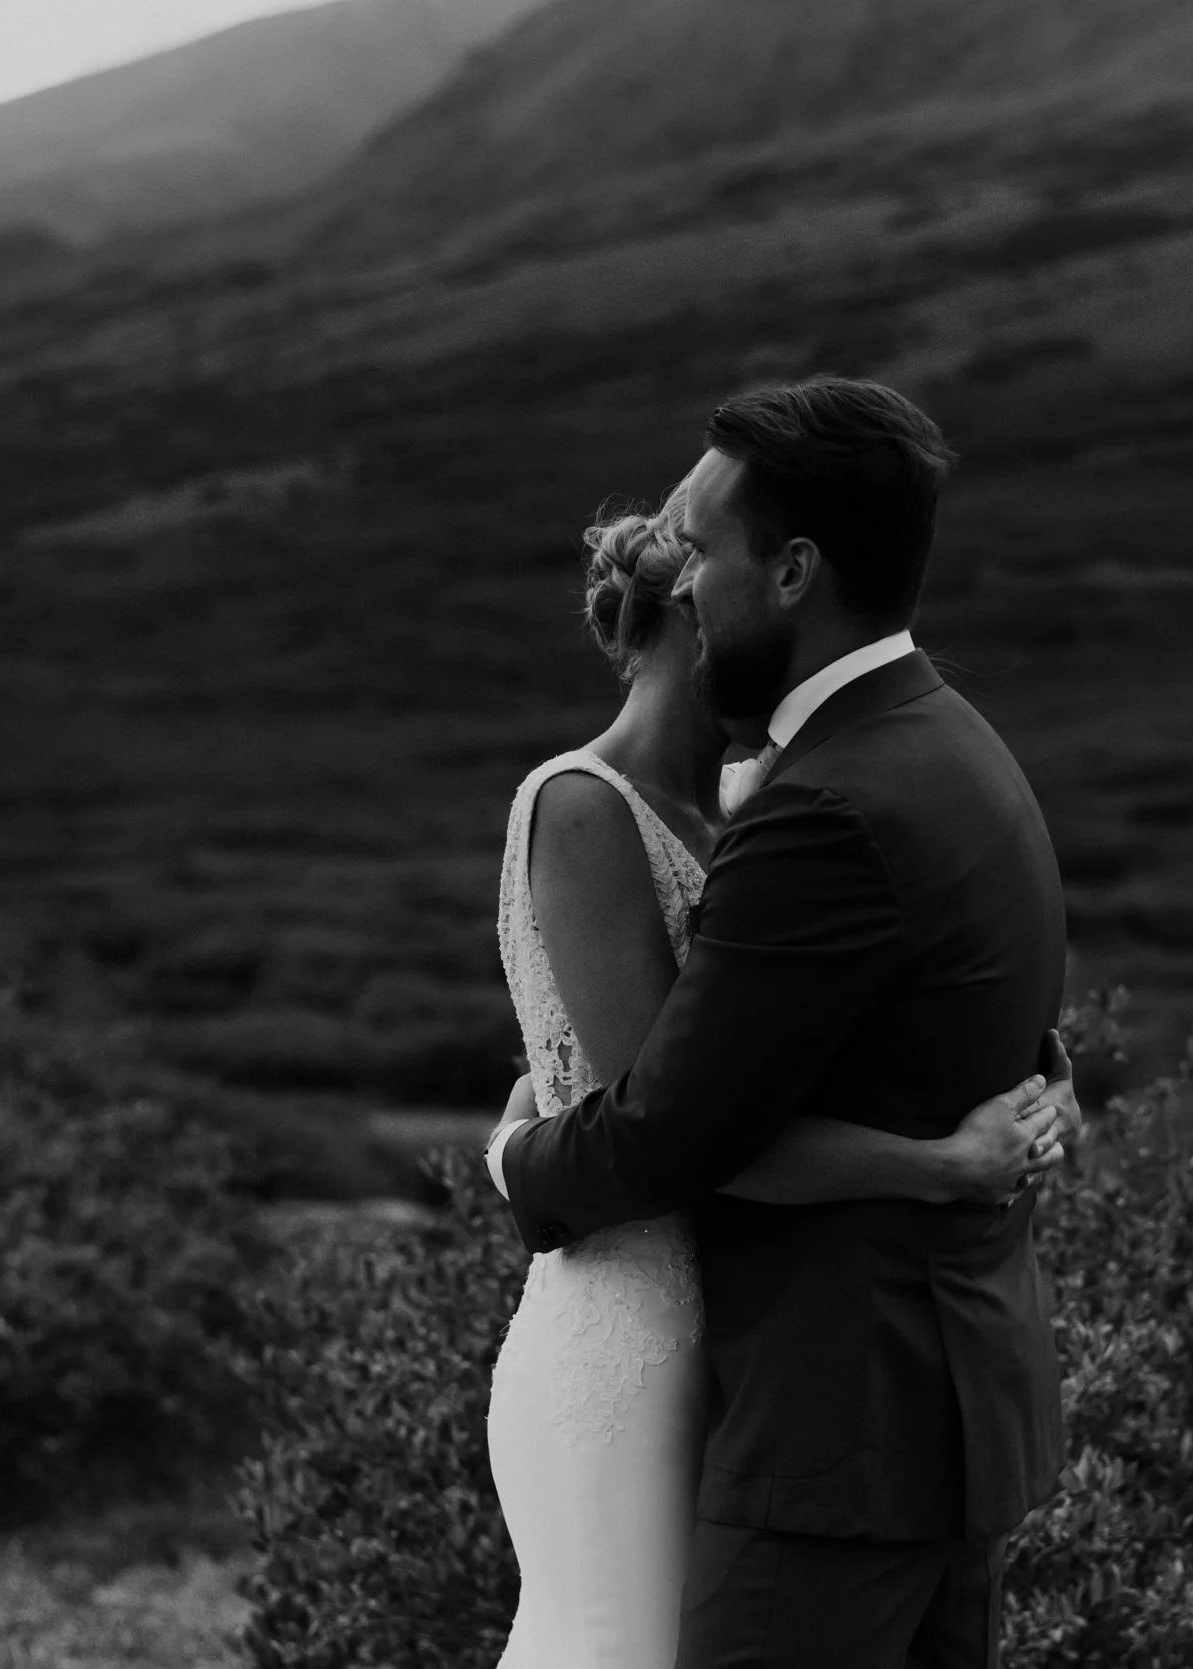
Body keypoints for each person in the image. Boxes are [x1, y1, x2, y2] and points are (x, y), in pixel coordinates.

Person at [487, 377, 1070, 1669]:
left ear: (797, 571)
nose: (682, 584)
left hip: (838, 1432)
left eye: (705, 551)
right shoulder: (956, 743)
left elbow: (670, 1130)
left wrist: (516, 1161)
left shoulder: (821, 806)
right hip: (926, 1411)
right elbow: (962, 1007)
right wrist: (1038, 1096)